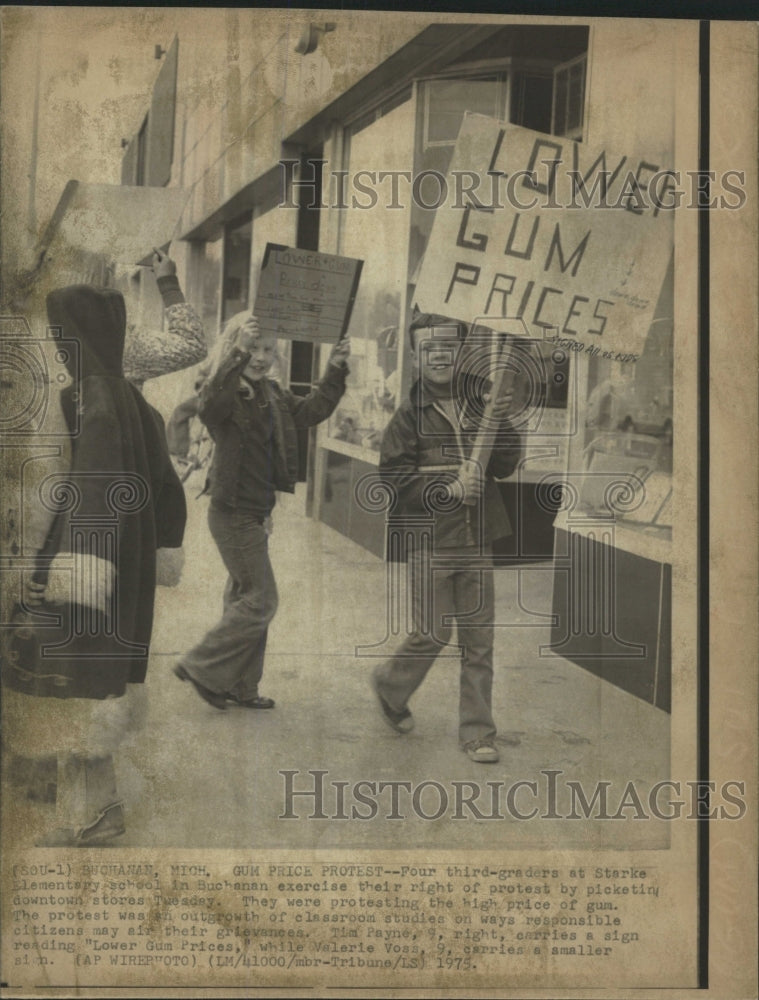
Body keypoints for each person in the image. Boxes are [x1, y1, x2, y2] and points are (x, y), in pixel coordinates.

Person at [2, 283, 188, 846]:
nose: (59, 347)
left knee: (74, 684)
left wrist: (55, 575)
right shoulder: (134, 398)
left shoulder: (94, 397)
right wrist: (154, 551)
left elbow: (96, 487)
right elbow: (168, 490)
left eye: (62, 336)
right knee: (89, 688)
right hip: (118, 571)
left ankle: (94, 812)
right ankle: (69, 799)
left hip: (87, 569)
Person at [173, 313, 350, 710]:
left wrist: (335, 369)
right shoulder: (224, 391)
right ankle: (202, 667)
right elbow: (209, 408)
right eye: (252, 348)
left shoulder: (272, 394)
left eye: (267, 349)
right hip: (232, 513)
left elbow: (313, 410)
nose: (260, 357)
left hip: (254, 514)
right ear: (236, 349)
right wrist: (236, 353)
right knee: (262, 600)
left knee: (245, 599)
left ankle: (240, 687)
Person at [371, 313, 522, 763]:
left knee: (479, 639)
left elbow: (504, 464)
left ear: (460, 353)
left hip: (478, 538)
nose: (439, 353)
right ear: (416, 358)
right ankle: (390, 685)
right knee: (432, 633)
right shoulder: (406, 418)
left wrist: (502, 421)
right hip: (431, 541)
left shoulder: (480, 405)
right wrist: (449, 489)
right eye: (428, 348)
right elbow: (393, 480)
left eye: (447, 346)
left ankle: (478, 732)